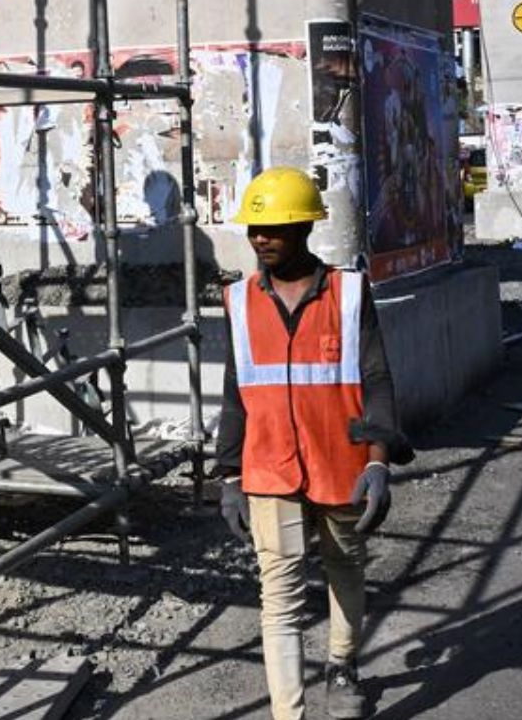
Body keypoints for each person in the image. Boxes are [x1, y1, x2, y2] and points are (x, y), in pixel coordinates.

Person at [216, 167, 408, 720]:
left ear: (304, 227)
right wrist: (228, 478)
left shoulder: (348, 292)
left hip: (341, 462)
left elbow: (377, 379)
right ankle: (290, 714)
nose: (260, 239)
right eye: (255, 229)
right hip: (269, 466)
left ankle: (342, 666)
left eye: (273, 229)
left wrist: (378, 463)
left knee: (345, 567)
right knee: (279, 596)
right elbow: (235, 395)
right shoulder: (238, 301)